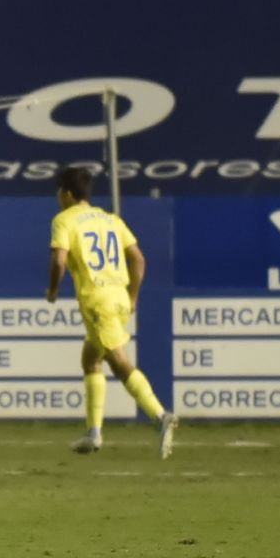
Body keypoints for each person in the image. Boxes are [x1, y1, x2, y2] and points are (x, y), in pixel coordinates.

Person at [45, 165, 178, 459]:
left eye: (58, 191)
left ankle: (160, 416)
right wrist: (132, 297)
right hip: (118, 296)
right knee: (91, 359)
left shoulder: (64, 220)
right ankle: (93, 433)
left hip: (98, 300)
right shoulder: (111, 219)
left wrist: (53, 290)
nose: (57, 197)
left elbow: (59, 262)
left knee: (118, 363)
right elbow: (139, 261)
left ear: (67, 194)